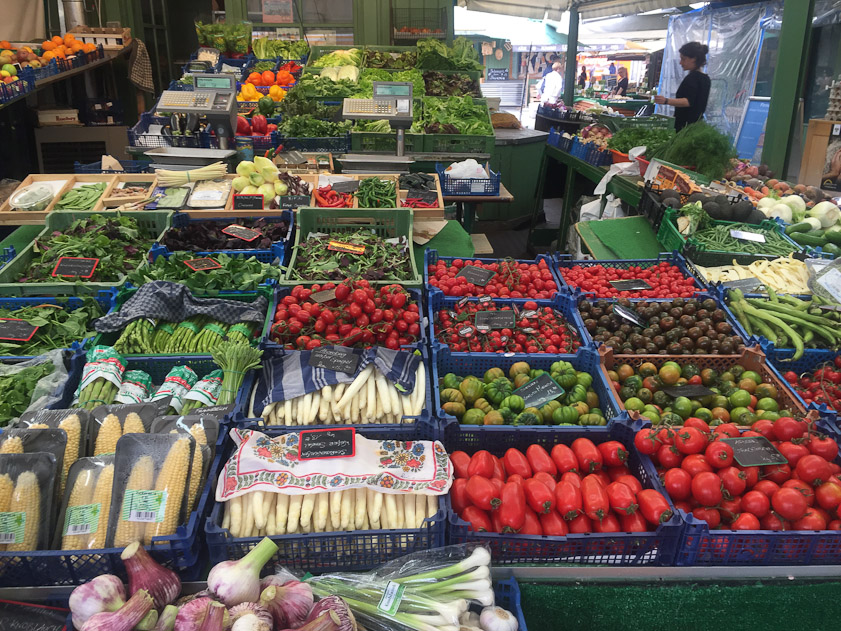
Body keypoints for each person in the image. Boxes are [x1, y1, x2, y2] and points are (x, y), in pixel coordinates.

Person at [654, 41, 711, 131]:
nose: (680, 63)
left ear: (694, 59)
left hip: (685, 126)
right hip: (696, 126)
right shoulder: (705, 79)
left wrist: (666, 101)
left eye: (683, 59)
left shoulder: (692, 78)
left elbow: (688, 101)